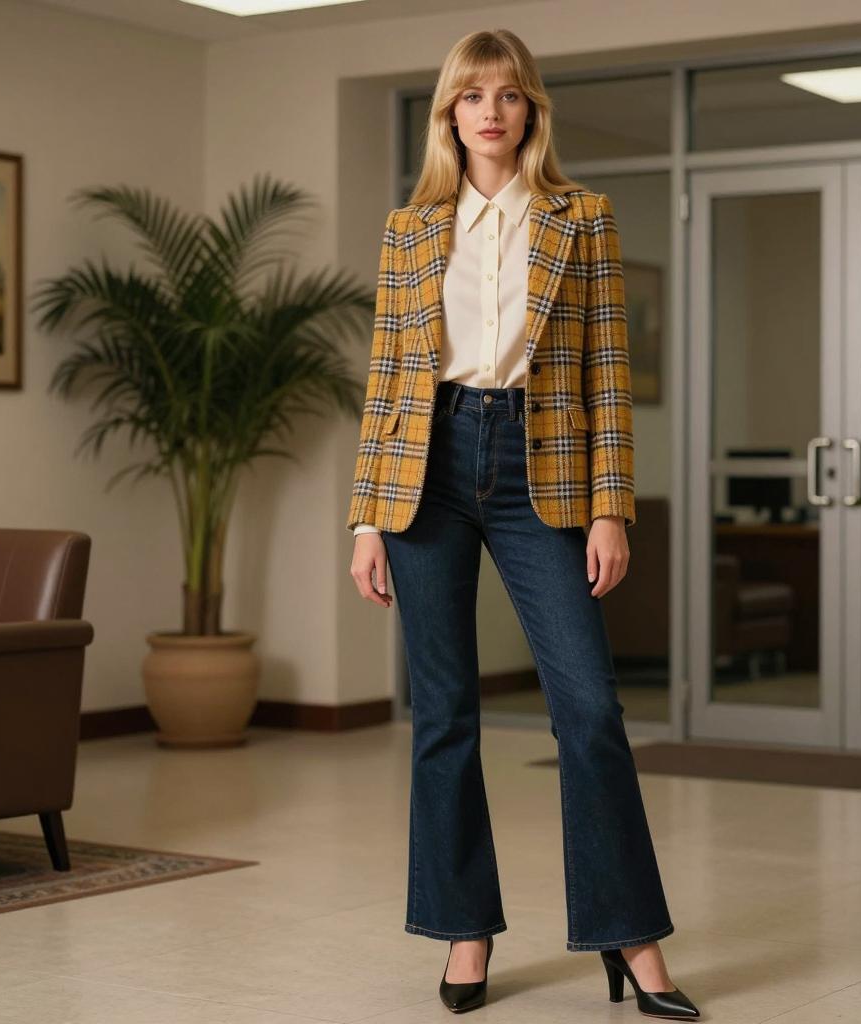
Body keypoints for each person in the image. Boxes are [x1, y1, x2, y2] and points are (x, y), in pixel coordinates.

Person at [346, 27, 699, 1020]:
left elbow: (607, 375)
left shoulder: (580, 218)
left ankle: (630, 934)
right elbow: (386, 379)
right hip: (426, 466)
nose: (490, 111)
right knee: (443, 712)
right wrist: (365, 519)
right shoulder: (409, 229)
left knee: (589, 709)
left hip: (540, 465)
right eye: (472, 95)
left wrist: (610, 506)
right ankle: (465, 928)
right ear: (449, 114)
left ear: (530, 108)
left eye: (507, 94)